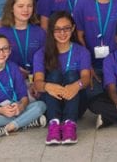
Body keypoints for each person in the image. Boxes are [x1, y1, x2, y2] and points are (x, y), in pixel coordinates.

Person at [0, 34, 47, 140]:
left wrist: (21, 107)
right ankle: (27, 122)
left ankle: (7, 128)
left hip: (15, 108)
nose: (1, 53)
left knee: (41, 105)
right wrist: (0, 110)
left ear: (10, 50)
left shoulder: (13, 67)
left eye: (5, 49)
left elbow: (24, 96)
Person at [34, 11, 91, 145]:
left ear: (73, 28)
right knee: (54, 75)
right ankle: (54, 124)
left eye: (66, 28)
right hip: (52, 100)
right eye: (57, 29)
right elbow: (37, 83)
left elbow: (86, 78)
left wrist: (76, 86)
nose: (62, 33)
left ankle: (70, 124)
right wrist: (49, 86)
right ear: (51, 31)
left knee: (72, 75)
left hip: (76, 101)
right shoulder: (41, 53)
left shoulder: (82, 51)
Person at [0, 0, 45, 81]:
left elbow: (47, 58)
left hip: (37, 78)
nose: (25, 10)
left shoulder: (40, 32)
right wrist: (15, 69)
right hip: (10, 79)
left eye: (29, 6)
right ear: (11, 8)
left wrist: (36, 75)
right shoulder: (0, 33)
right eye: (20, 6)